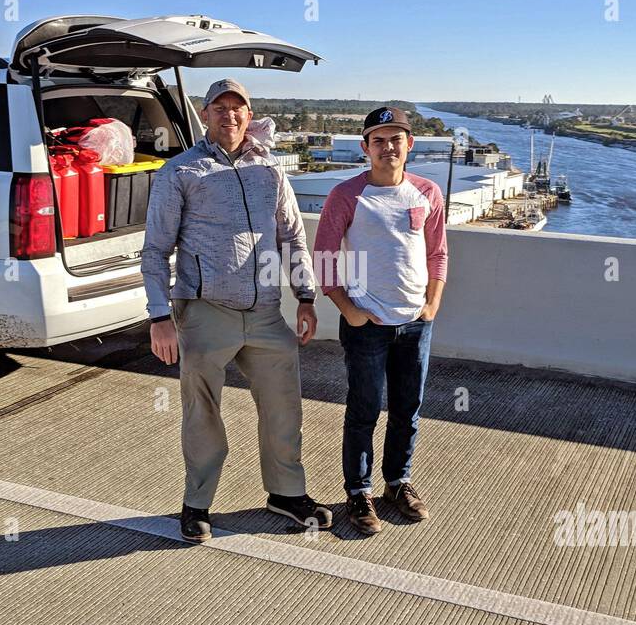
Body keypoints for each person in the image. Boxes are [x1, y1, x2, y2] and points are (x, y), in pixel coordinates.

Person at [141, 77, 332, 543]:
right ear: (204, 115)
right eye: (220, 107)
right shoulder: (181, 171)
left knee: (283, 407)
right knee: (202, 412)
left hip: (266, 313)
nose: (230, 114)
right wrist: (159, 316)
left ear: (250, 115)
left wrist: (305, 297)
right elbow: (155, 250)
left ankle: (286, 493)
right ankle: (197, 504)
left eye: (238, 107)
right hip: (206, 311)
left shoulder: (270, 170)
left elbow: (292, 237)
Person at [312, 107, 447, 535]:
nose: (388, 147)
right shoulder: (346, 195)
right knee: (364, 410)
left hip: (415, 325)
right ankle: (358, 492)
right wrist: (350, 311)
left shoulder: (427, 192)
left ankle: (397, 483)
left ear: (410, 145)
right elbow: (325, 260)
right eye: (379, 140)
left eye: (396, 139)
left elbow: (437, 254)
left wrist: (432, 306)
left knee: (408, 409)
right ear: (365, 147)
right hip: (366, 325)